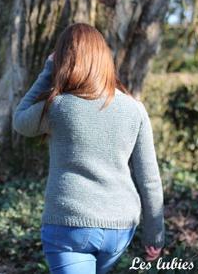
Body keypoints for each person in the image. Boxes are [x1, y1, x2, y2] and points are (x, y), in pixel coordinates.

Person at [12, 22, 165, 273]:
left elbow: (20, 121)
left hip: (69, 226)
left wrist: (47, 71)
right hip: (120, 229)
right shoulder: (135, 109)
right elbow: (149, 179)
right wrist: (155, 235)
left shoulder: (58, 107)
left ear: (65, 61)